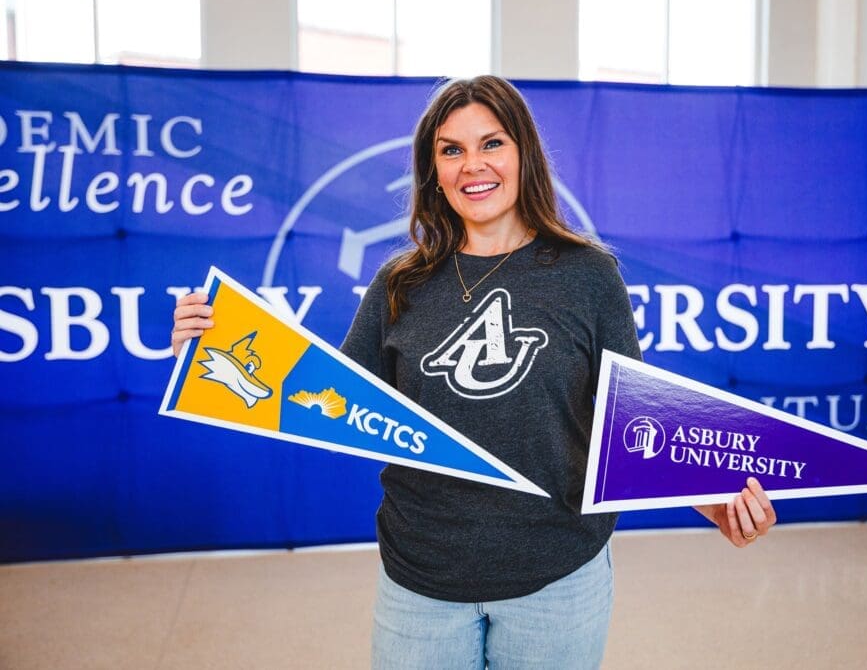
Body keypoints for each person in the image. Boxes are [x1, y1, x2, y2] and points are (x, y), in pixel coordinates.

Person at [171, 75, 777, 669]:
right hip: (421, 579)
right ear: (432, 170)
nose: (473, 165)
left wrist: (714, 504)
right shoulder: (398, 285)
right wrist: (208, 357)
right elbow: (324, 399)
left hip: (558, 577)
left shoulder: (589, 275)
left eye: (492, 143)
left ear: (524, 154)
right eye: (451, 150)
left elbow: (631, 423)